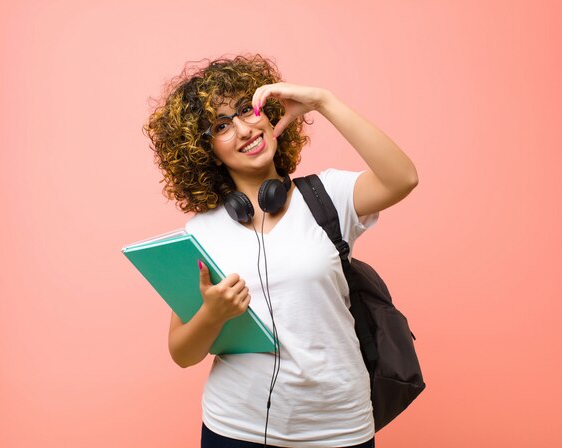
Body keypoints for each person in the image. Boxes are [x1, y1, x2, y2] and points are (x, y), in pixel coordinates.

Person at [144, 54, 418, 448]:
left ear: (269, 114)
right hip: (235, 428)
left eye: (247, 110)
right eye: (221, 125)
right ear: (205, 152)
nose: (243, 129)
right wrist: (213, 314)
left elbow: (403, 177)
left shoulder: (329, 196)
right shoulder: (201, 232)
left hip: (339, 428)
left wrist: (323, 101)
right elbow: (182, 353)